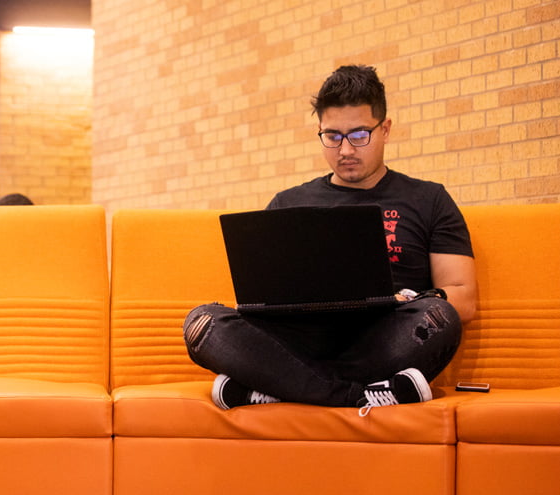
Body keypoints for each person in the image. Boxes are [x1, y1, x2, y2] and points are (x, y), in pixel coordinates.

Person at [183, 65, 477, 416]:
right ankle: (363, 395)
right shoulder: (287, 203)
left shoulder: (429, 199)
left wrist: (404, 299)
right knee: (202, 323)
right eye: (332, 136)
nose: (345, 149)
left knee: (438, 317)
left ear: (385, 129)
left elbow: (463, 296)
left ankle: (279, 390)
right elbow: (261, 294)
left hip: (381, 340)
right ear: (319, 131)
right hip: (298, 341)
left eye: (359, 135)